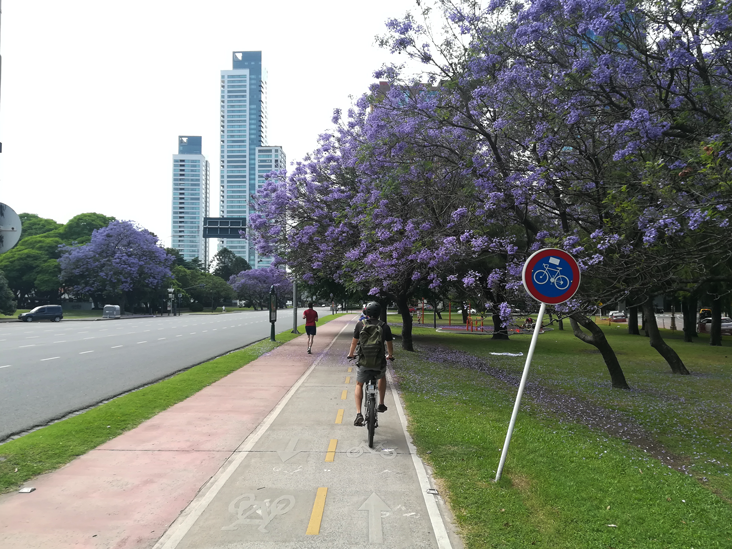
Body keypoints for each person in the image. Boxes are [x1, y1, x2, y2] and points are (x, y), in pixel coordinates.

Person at [347, 301, 394, 426]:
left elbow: (354, 343)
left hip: (363, 362)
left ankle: (358, 413)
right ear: (379, 314)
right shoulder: (384, 326)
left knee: (359, 384)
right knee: (382, 377)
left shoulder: (360, 325)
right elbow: (389, 345)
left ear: (366, 313)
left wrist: (351, 354)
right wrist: (390, 355)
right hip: (378, 363)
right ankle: (381, 404)